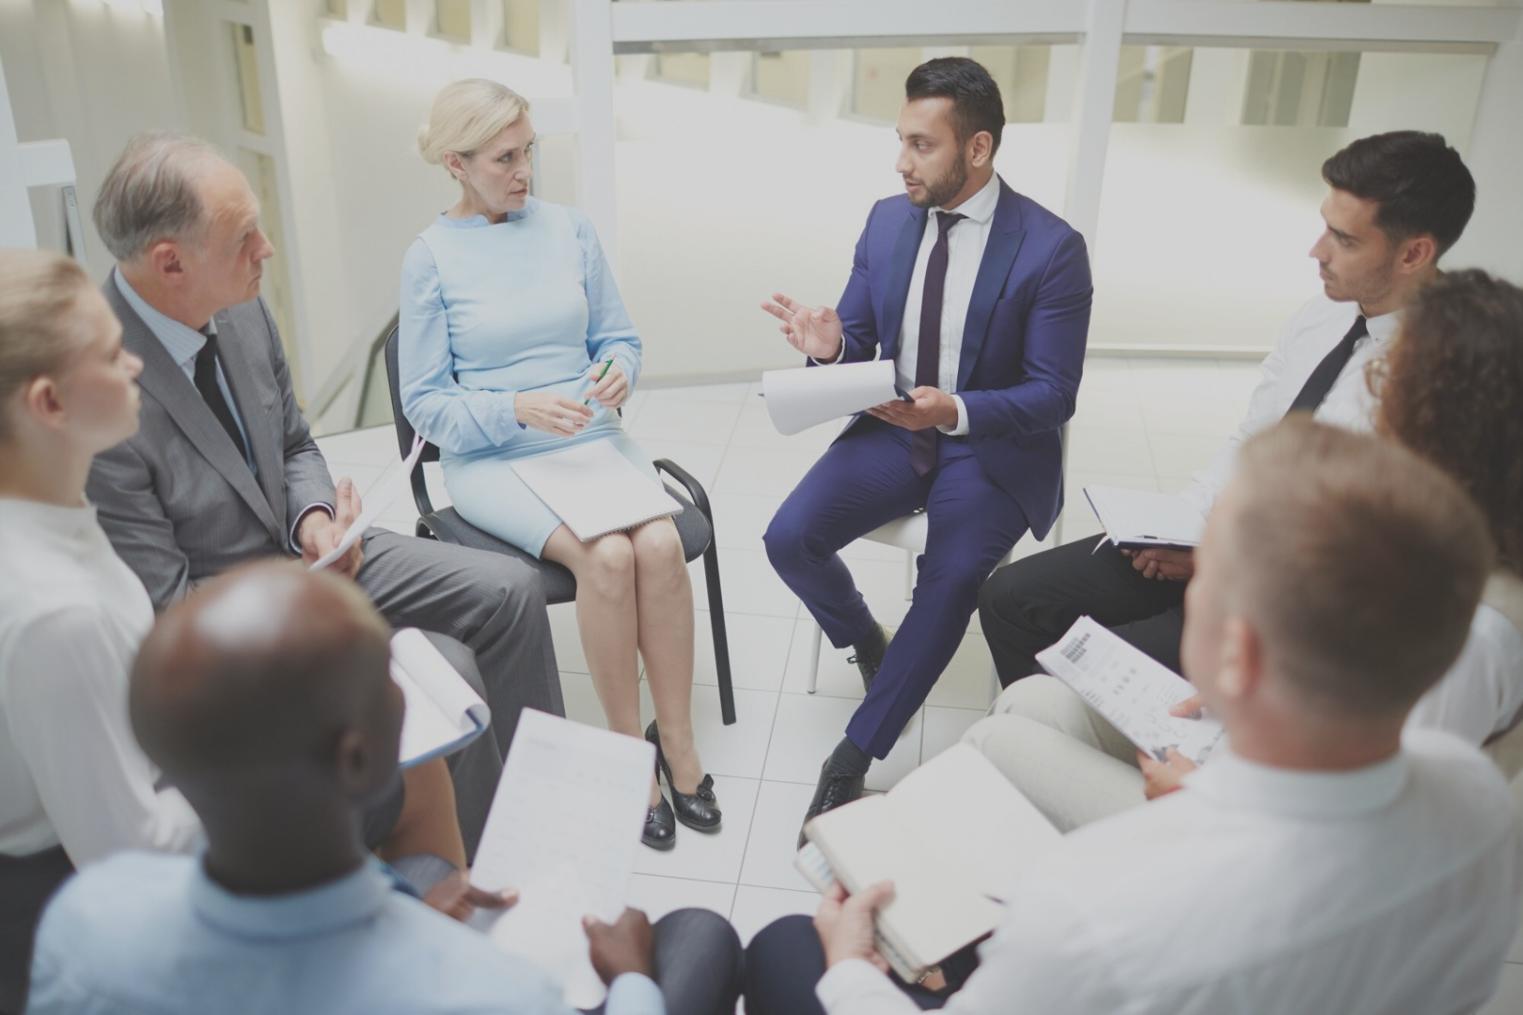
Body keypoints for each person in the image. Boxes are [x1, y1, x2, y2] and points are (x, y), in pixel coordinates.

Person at [744, 418, 1523, 1015]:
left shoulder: (1092, 901)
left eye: (1203, 575)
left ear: (1237, 652)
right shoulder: (1475, 799)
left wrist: (847, 970)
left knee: (783, 948)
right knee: (1030, 704)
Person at [0, 249, 466, 1014]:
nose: (136, 365)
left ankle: (411, 938)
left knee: (416, 765)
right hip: (86, 875)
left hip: (144, 786)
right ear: (49, 403)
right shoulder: (56, 614)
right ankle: (421, 958)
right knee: (410, 773)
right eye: (112, 355)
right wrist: (283, 763)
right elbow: (125, 852)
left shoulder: (52, 512)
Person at [83, 131, 562, 851]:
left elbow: (293, 442)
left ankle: (542, 806)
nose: (268, 249)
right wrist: (304, 585)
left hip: (314, 555)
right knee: (446, 668)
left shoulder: (240, 305)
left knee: (511, 590)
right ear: (170, 262)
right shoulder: (99, 386)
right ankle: (476, 856)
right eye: (244, 238)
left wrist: (313, 516)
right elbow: (169, 610)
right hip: (238, 624)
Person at [26, 563, 744, 1015]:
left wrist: (401, 904)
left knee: (430, 869)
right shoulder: (497, 994)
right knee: (700, 936)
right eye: (389, 684)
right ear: (363, 761)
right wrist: (631, 983)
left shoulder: (82, 921)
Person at [962, 269, 1523, 831]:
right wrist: (1250, 704)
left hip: (1261, 821)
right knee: (1031, 701)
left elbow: (1373, 830)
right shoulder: (1431, 532)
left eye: (1388, 386)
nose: (1375, 400)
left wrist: (1203, 791)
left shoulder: (1476, 632)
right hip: (1265, 741)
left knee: (995, 739)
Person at [977, 129, 1477, 680]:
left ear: (1414, 253)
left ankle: (1078, 718)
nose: (1317, 251)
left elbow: (1369, 553)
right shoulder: (1324, 315)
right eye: (1324, 227)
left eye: (1345, 240)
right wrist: (1181, 526)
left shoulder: (1442, 376)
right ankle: (1044, 717)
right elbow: (1253, 436)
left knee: (1086, 674)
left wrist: (1217, 555)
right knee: (1009, 598)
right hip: (1218, 544)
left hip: (1285, 599)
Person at [758, 57, 1091, 842]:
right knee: (787, 537)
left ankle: (852, 756)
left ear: (977, 148)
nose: (900, 162)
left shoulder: (1051, 249)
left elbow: (1053, 394)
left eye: (920, 144)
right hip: (892, 426)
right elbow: (858, 339)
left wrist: (957, 411)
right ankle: (863, 638)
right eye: (900, 140)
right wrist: (831, 347)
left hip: (989, 445)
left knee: (949, 580)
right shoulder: (886, 221)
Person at [399, 79, 717, 851]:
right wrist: (514, 408)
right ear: (456, 163)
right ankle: (628, 756)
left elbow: (619, 339)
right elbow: (425, 405)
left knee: (660, 543)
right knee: (606, 557)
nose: (524, 172)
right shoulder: (430, 258)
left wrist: (616, 373)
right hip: (495, 455)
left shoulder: (570, 230)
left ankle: (676, 743)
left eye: (528, 152)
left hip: (591, 439)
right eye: (504, 159)